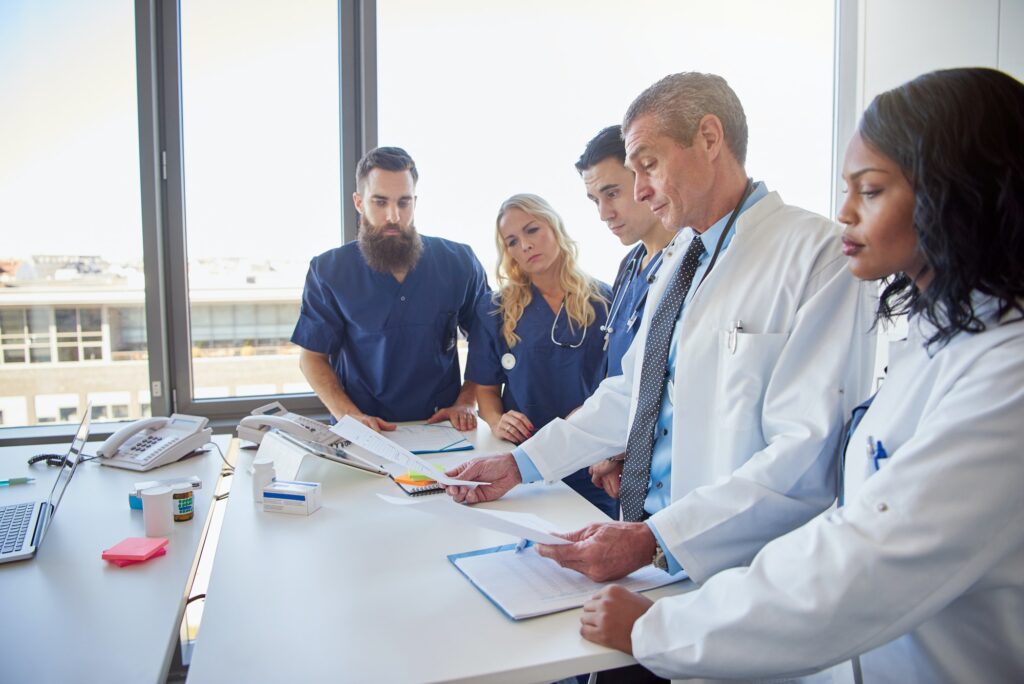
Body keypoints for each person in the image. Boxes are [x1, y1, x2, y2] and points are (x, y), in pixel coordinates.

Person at [579, 67, 1024, 681]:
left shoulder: (1008, 374)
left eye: (869, 191)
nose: (844, 212)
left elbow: (871, 558)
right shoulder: (936, 339)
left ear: (958, 195)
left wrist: (660, 628)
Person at [446, 73, 875, 589]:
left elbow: (805, 456)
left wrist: (659, 540)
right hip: (642, 548)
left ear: (710, 139)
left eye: (648, 164)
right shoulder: (676, 263)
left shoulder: (816, 255)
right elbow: (631, 394)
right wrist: (520, 465)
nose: (640, 189)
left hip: (732, 570)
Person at [291, 146, 488, 431]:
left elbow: (488, 340)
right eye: (380, 202)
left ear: (415, 202)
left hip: (443, 428)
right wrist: (349, 416)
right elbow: (312, 357)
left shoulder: (459, 262)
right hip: (365, 429)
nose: (393, 215)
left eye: (403, 203)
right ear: (359, 202)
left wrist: (467, 400)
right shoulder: (329, 270)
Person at [466, 194, 617, 518]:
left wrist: (614, 453)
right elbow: (486, 390)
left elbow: (621, 385)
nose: (525, 246)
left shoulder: (607, 300)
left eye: (532, 230)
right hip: (521, 462)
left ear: (555, 226)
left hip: (590, 462)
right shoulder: (496, 309)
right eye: (512, 241)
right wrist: (496, 421)